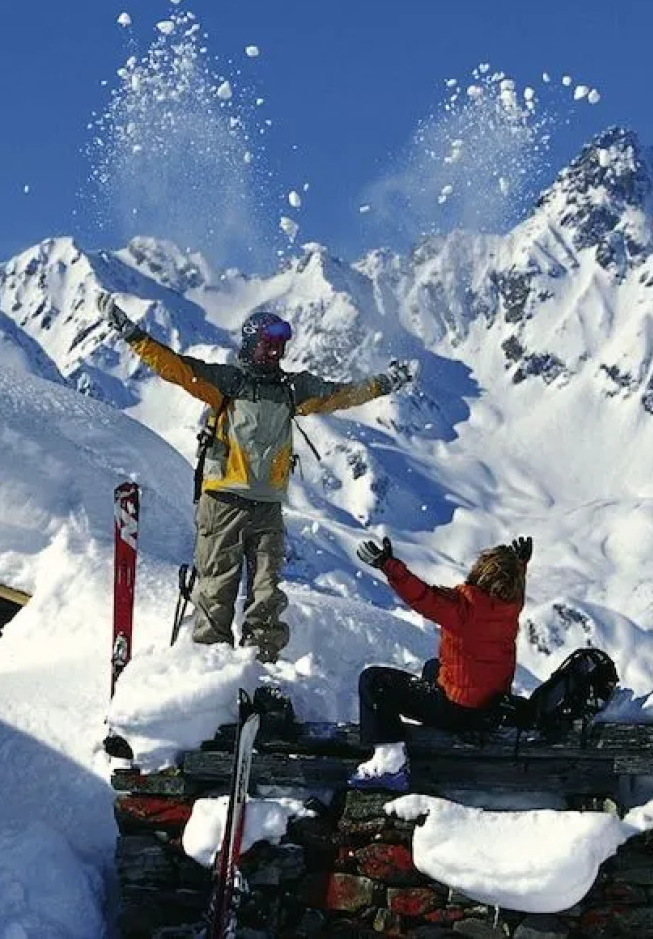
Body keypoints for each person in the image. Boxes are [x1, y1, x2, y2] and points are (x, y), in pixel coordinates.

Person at [100, 294, 414, 663]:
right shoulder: (227, 382)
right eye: (268, 344)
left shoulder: (293, 390)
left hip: (267, 506)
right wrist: (134, 336)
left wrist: (386, 383)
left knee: (267, 592)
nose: (275, 352)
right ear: (251, 344)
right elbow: (177, 368)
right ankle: (209, 667)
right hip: (222, 502)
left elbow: (341, 395)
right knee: (218, 588)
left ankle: (259, 665)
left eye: (280, 345)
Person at [351, 535, 532, 783]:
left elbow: (422, 596)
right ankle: (450, 733)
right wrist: (519, 564)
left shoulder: (463, 608)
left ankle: (389, 766)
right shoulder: (511, 606)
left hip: (458, 710)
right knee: (433, 667)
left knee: (373, 681)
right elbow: (510, 585)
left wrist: (387, 564)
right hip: (490, 708)